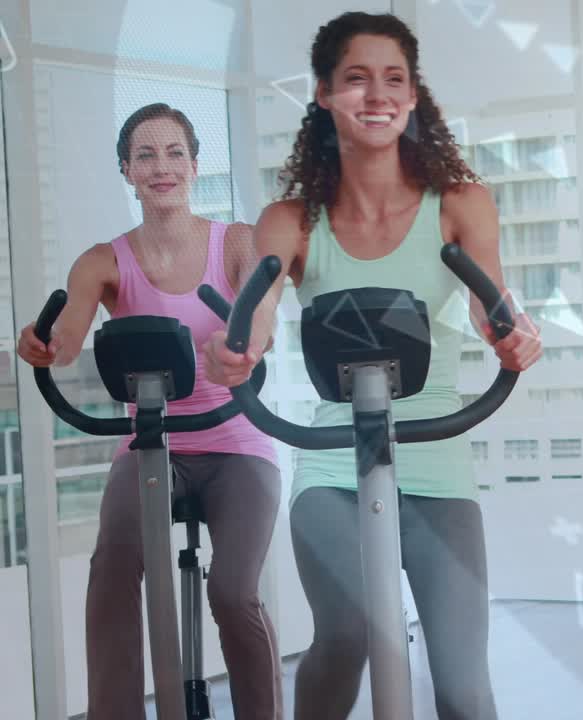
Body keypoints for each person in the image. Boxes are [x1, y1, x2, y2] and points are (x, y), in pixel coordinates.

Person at [203, 12, 541, 720]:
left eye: (394, 79)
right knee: (350, 632)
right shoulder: (290, 220)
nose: (377, 94)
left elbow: (492, 307)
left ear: (414, 96)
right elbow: (258, 310)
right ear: (324, 93)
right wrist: (241, 349)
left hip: (435, 457)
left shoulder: (461, 205)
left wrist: (513, 336)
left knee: (462, 686)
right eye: (356, 79)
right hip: (332, 466)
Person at [16, 103, 283, 719]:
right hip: (150, 441)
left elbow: (261, 306)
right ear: (126, 171)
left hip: (235, 441)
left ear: (193, 165)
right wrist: (42, 342)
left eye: (173, 153)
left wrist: (249, 339)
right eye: (145, 155)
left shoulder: (236, 240)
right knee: (110, 573)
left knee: (234, 591)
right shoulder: (103, 261)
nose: (160, 166)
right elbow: (68, 338)